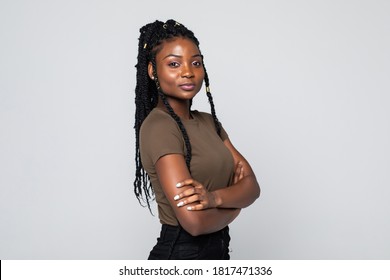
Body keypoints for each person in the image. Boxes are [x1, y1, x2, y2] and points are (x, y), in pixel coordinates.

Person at [133, 19, 260, 260]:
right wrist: (236, 204)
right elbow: (194, 223)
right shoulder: (160, 126)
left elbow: (253, 186)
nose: (188, 72)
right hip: (181, 255)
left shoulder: (209, 122)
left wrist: (214, 198)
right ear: (152, 71)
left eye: (196, 63)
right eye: (174, 64)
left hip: (218, 253)